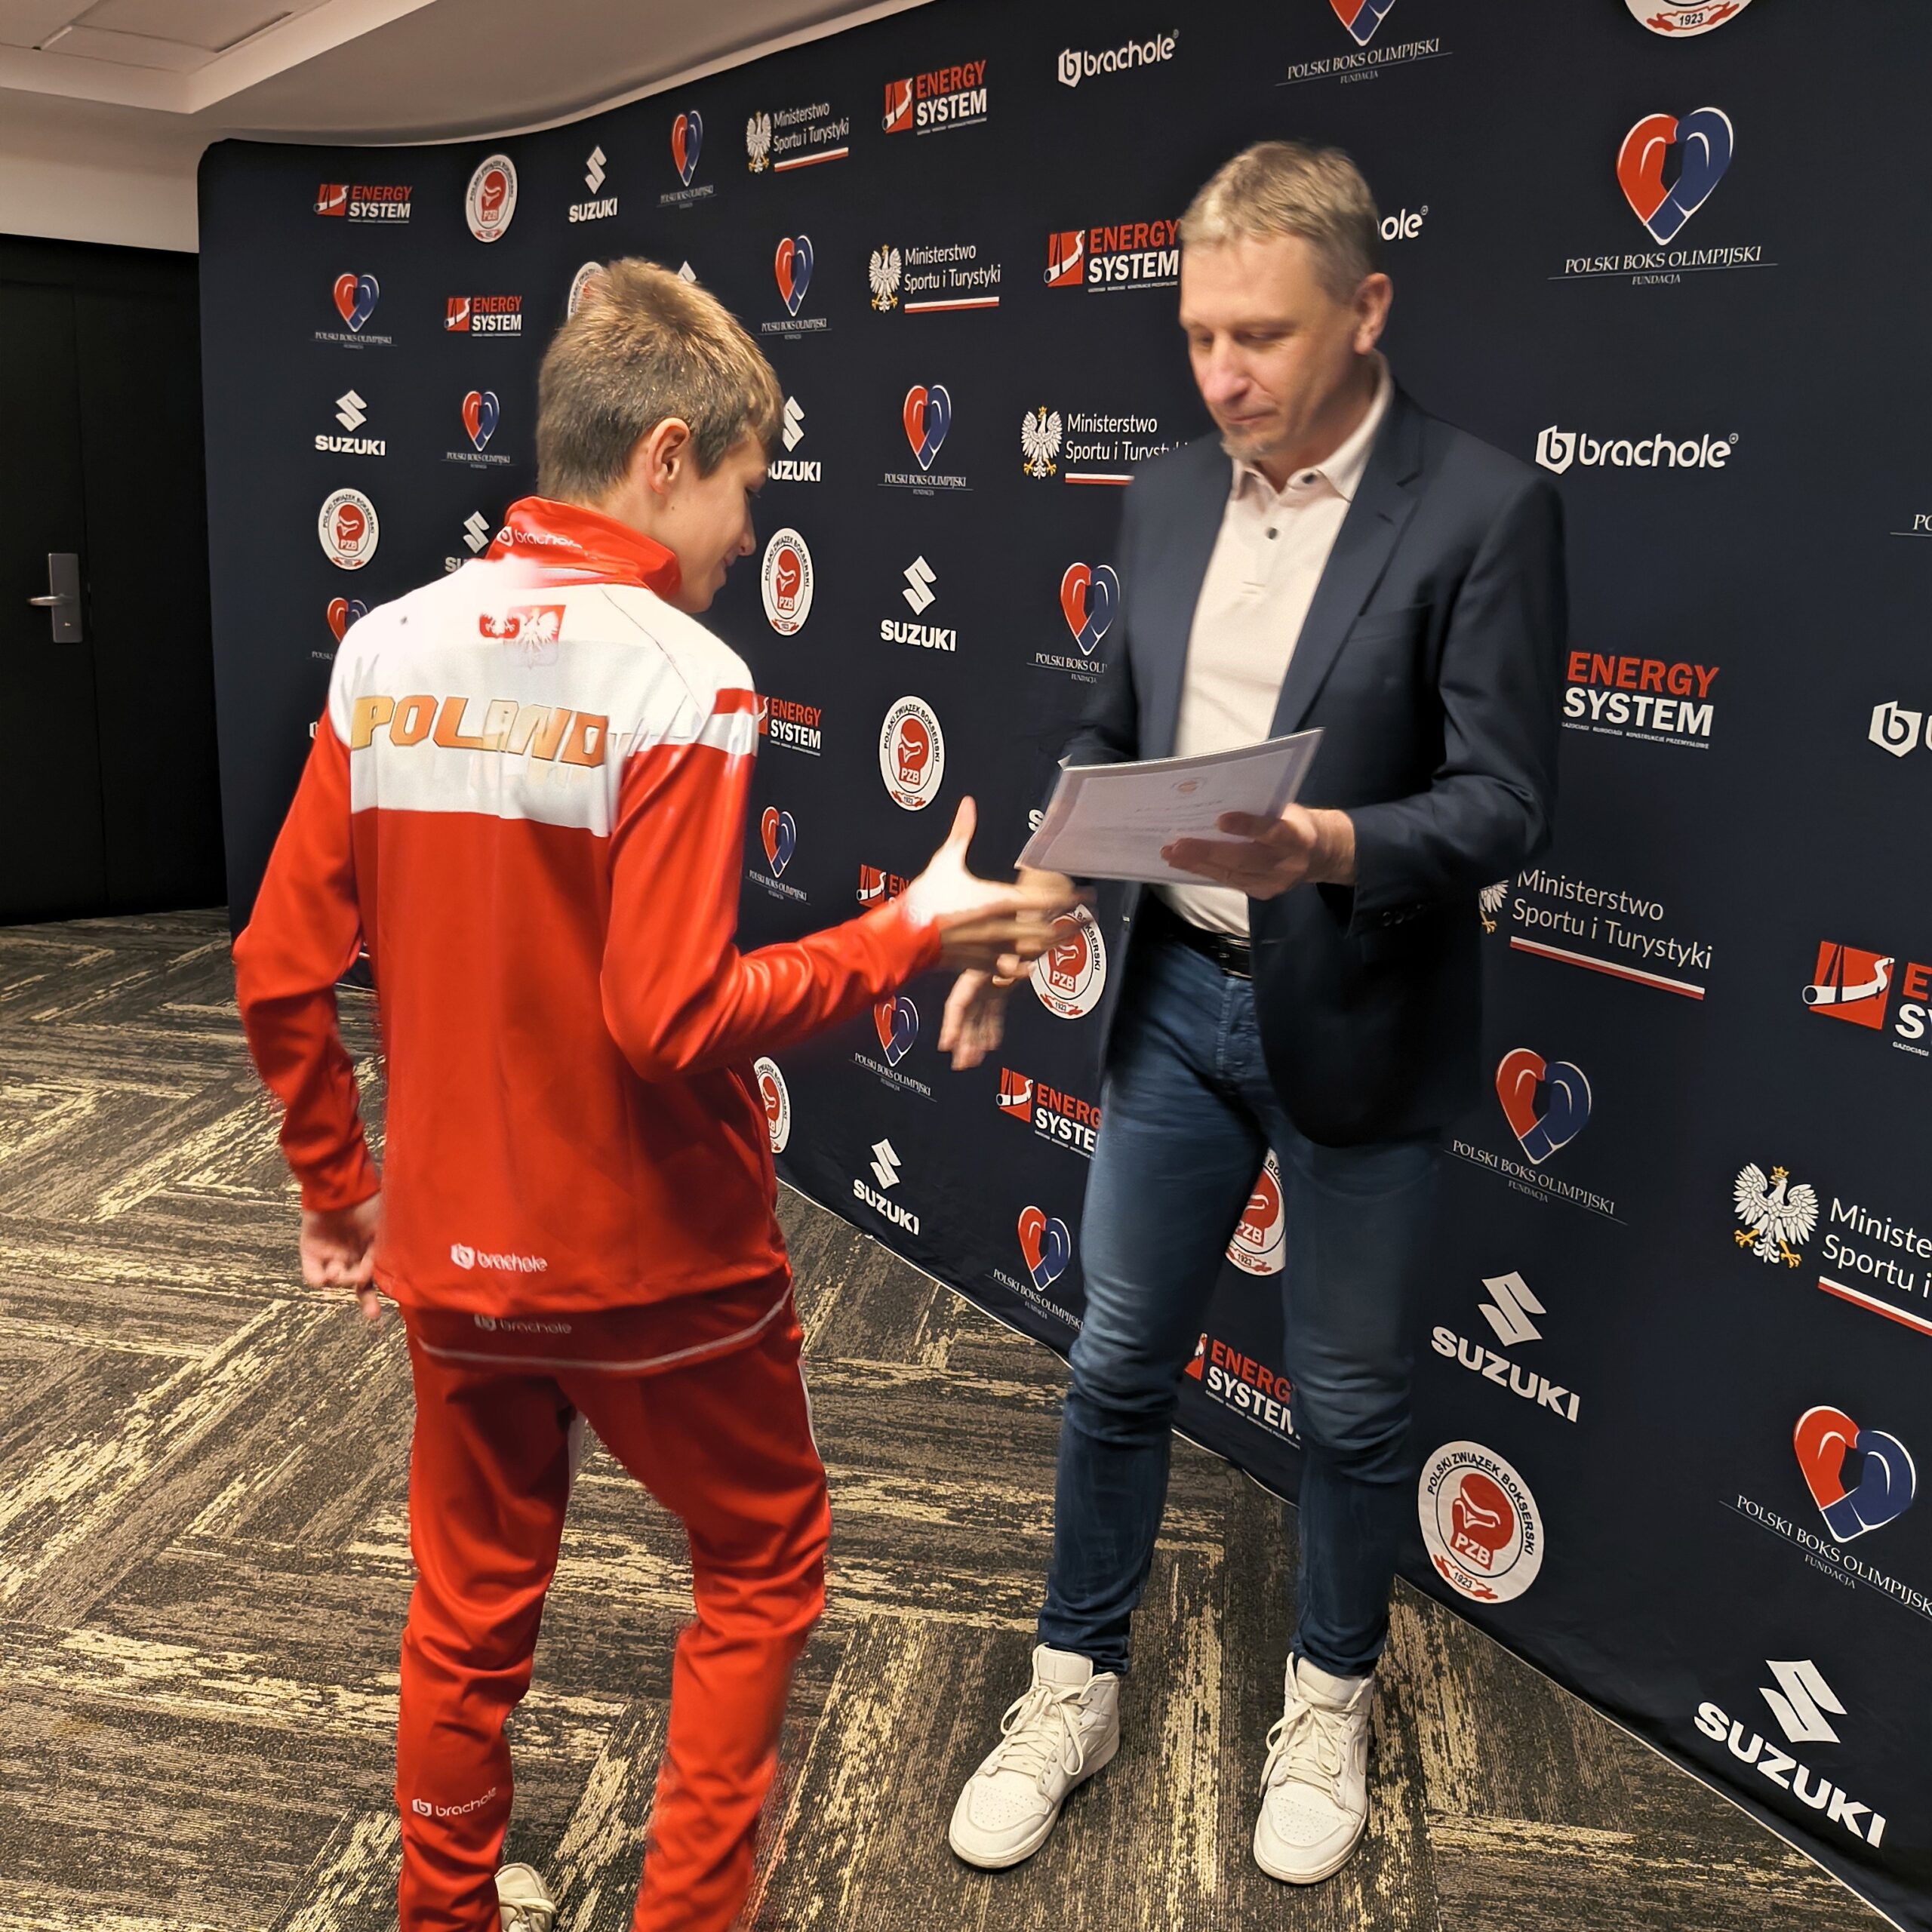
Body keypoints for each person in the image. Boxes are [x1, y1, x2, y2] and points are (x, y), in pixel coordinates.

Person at [233, 259, 1068, 1932]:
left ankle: (444, 1913)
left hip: (451, 1258)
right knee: (759, 1564)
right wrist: (905, 929)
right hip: (659, 1266)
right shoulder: (685, 677)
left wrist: (341, 1188)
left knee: (467, 1610)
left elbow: (274, 966)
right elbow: (672, 1017)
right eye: (748, 485)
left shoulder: (382, 646)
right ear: (666, 455)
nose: (751, 533)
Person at [940, 142, 1564, 1884]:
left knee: (1348, 1408)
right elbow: (1109, 727)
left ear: (1365, 309)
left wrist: (1327, 845)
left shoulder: (1481, 506)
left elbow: (1507, 801)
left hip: (1360, 1017)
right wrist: (1048, 879)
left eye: (1260, 336)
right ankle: (1073, 1682)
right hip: (1169, 1009)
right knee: (1112, 1362)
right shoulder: (1159, 498)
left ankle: (1326, 1699)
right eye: (1198, 335)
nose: (1220, 374)